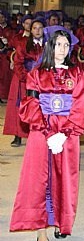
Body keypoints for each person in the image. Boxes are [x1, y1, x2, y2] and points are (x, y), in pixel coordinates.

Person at [10, 26, 84, 241]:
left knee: (63, 179)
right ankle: (40, 230)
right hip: (41, 132)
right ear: (49, 46)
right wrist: (47, 132)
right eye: (58, 44)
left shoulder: (77, 74)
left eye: (66, 45)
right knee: (39, 180)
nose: (62, 49)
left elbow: (80, 106)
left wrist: (64, 133)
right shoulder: (36, 74)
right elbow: (30, 104)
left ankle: (61, 222)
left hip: (67, 134)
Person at [3, 19, 44, 147]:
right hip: (24, 79)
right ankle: (18, 135)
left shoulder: (48, 45)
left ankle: (38, 136)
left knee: (40, 107)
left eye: (40, 28)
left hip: (42, 81)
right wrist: (26, 78)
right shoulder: (23, 43)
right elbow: (18, 63)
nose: (37, 31)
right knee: (20, 106)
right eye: (35, 28)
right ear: (30, 30)